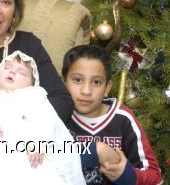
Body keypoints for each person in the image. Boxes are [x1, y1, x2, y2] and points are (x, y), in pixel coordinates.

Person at [0, 51, 85, 185]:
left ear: (32, 83)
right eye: (6, 68)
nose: (12, 72)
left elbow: (47, 121)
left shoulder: (33, 97)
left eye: (21, 72)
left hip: (27, 153)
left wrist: (40, 142)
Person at [62, 45, 163, 185]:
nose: (86, 91)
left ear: (107, 88)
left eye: (96, 82)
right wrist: (94, 151)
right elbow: (34, 153)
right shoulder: (57, 116)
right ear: (64, 82)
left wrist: (128, 176)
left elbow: (156, 179)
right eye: (78, 80)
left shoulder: (123, 118)